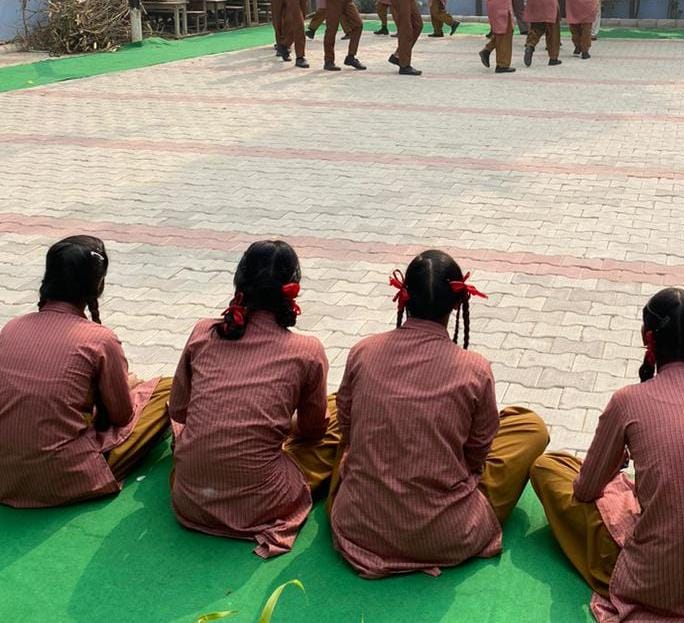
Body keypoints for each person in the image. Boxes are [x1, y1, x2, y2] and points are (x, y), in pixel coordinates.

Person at [530, 288, 684, 622]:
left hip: (653, 586)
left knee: (548, 467)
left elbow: (585, 490)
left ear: (646, 337)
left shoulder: (627, 400)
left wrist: (614, 472)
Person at [329, 250, 549, 577]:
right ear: (457, 304)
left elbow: (347, 432)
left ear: (403, 297)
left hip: (359, 526)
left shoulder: (363, 351)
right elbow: (476, 458)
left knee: (339, 414)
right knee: (530, 427)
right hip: (447, 534)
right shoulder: (475, 369)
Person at [169, 241, 337, 558]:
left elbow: (178, 411)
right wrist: (281, 426)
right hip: (262, 504)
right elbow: (313, 430)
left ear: (240, 281)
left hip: (191, 498)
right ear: (292, 290)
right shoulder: (308, 350)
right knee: (337, 421)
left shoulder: (203, 331)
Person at [0, 236, 172, 507]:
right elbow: (122, 416)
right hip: (64, 477)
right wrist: (127, 386)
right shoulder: (100, 339)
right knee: (169, 388)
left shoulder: (11, 327)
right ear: (98, 285)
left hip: (5, 476)